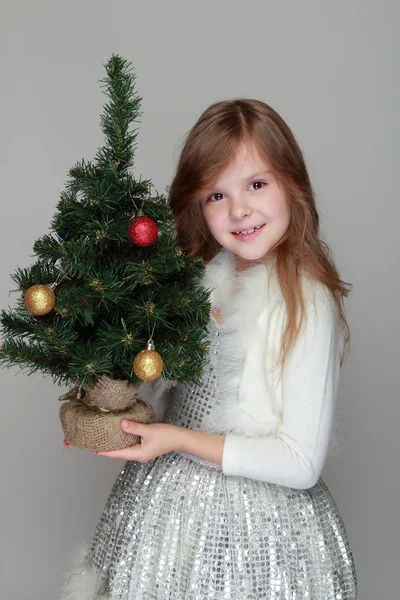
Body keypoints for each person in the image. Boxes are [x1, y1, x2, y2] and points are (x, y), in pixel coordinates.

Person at [60, 99, 357, 599]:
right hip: (168, 512)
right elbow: (159, 381)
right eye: (217, 194)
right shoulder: (199, 282)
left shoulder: (306, 303)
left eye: (256, 184)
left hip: (263, 533)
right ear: (198, 203)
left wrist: (175, 440)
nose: (239, 209)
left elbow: (300, 464)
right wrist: (106, 414)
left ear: (292, 183)